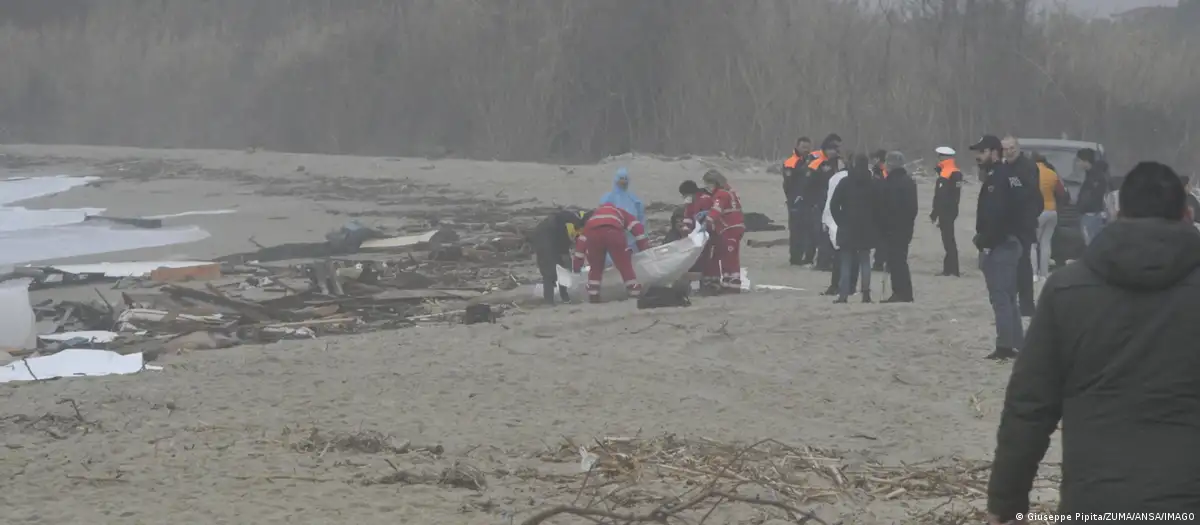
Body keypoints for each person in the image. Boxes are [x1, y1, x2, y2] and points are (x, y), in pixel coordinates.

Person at [985, 162, 1200, 524]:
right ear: (1187, 214)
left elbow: (1029, 407)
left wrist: (1006, 504)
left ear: (1117, 212)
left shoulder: (1067, 288)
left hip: (1095, 502)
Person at [971, 135, 1029, 360]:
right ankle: (1016, 343)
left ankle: (1005, 345)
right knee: (1008, 296)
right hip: (1010, 241)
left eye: (982, 152)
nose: (978, 156)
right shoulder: (1009, 176)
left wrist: (985, 241)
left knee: (1001, 297)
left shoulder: (998, 178)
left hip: (1001, 244)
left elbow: (997, 215)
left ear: (994, 153)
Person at [571, 202, 650, 303]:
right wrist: (644, 248)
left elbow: (580, 247)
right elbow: (638, 229)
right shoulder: (620, 212)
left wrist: (576, 268)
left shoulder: (592, 220)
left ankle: (594, 295)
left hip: (594, 235)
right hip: (614, 233)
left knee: (595, 267)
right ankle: (634, 292)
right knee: (624, 265)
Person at [830, 154, 879, 303]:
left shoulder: (845, 182)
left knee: (846, 261)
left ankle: (843, 294)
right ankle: (866, 294)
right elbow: (879, 207)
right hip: (866, 227)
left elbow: (834, 204)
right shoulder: (873, 184)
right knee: (865, 260)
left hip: (847, 225)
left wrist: (840, 221)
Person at [1002, 136, 1041, 316]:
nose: (1009, 151)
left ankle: (1027, 305)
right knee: (1009, 264)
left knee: (1023, 263)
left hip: (1024, 223)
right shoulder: (1004, 168)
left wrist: (1029, 217)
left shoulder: (1028, 167)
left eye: (1012, 148)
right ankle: (1011, 301)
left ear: (1017, 148)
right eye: (1005, 149)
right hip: (1008, 223)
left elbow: (1031, 195)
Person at [878, 151, 918, 303]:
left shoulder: (893, 182)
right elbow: (912, 208)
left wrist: (887, 224)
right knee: (899, 259)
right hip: (905, 227)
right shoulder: (908, 180)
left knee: (896, 261)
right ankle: (903, 292)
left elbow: (890, 206)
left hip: (894, 228)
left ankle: (901, 293)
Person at [703, 170, 746, 293]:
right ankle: (729, 282)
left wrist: (707, 221)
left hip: (729, 227)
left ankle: (732, 284)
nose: (707, 187)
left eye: (709, 183)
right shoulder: (731, 191)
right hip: (737, 226)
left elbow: (716, 210)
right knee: (731, 254)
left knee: (728, 256)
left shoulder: (721, 194)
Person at [806, 134, 845, 271]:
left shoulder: (839, 163)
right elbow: (809, 184)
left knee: (833, 231)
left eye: (837, 149)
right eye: (832, 149)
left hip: (834, 201)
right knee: (820, 231)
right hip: (819, 201)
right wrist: (812, 201)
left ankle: (831, 259)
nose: (835, 152)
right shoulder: (816, 162)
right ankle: (820, 260)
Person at [533, 209, 588, 304]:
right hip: (547, 240)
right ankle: (557, 298)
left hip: (543, 238)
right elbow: (565, 247)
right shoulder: (571, 224)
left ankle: (555, 299)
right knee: (555, 270)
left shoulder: (566, 218)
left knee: (553, 271)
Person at [598, 167, 647, 261]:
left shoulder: (634, 200)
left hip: (631, 238)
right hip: (614, 239)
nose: (623, 182)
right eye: (621, 179)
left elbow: (641, 219)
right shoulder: (608, 198)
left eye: (625, 179)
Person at [1031, 153, 1066, 281]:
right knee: (1046, 243)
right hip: (1052, 211)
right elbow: (1062, 192)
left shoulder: (1031, 173)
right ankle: (1044, 274)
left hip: (1038, 212)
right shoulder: (1052, 174)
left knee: (1032, 244)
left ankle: (1034, 273)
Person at [930, 146, 964, 277]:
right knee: (948, 239)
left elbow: (942, 195)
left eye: (939, 156)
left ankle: (952, 269)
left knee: (948, 240)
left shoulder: (948, 172)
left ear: (943, 157)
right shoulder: (954, 171)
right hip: (951, 209)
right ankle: (950, 268)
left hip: (946, 210)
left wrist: (936, 213)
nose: (938, 158)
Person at [820, 163, 852, 296]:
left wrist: (825, 219)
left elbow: (830, 202)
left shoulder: (836, 178)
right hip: (853, 222)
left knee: (840, 254)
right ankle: (849, 286)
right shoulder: (865, 177)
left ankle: (837, 285)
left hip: (837, 220)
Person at [679, 179, 717, 286]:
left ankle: (709, 282)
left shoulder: (704, 200)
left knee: (708, 257)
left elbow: (707, 218)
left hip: (707, 233)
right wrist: (685, 230)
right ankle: (703, 281)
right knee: (701, 258)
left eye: (684, 194)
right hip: (698, 234)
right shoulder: (692, 202)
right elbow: (688, 217)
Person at [783, 137, 814, 265]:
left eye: (808, 147)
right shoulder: (791, 162)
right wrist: (793, 198)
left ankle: (806, 256)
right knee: (796, 230)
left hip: (809, 201)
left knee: (808, 229)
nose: (806, 150)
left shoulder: (811, 161)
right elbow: (788, 184)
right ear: (797, 147)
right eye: (803, 147)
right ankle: (795, 257)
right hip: (795, 201)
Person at [1075, 148, 1106, 244]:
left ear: (1086, 161)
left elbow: (1093, 196)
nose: (1077, 163)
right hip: (1090, 214)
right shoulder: (1091, 175)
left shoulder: (1094, 177)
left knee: (1090, 242)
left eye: (1079, 160)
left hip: (1090, 214)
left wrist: (1082, 207)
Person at [869, 149, 889, 272]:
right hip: (882, 207)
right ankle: (880, 261)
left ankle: (879, 262)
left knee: (882, 237)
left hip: (880, 208)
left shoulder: (881, 171)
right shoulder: (880, 171)